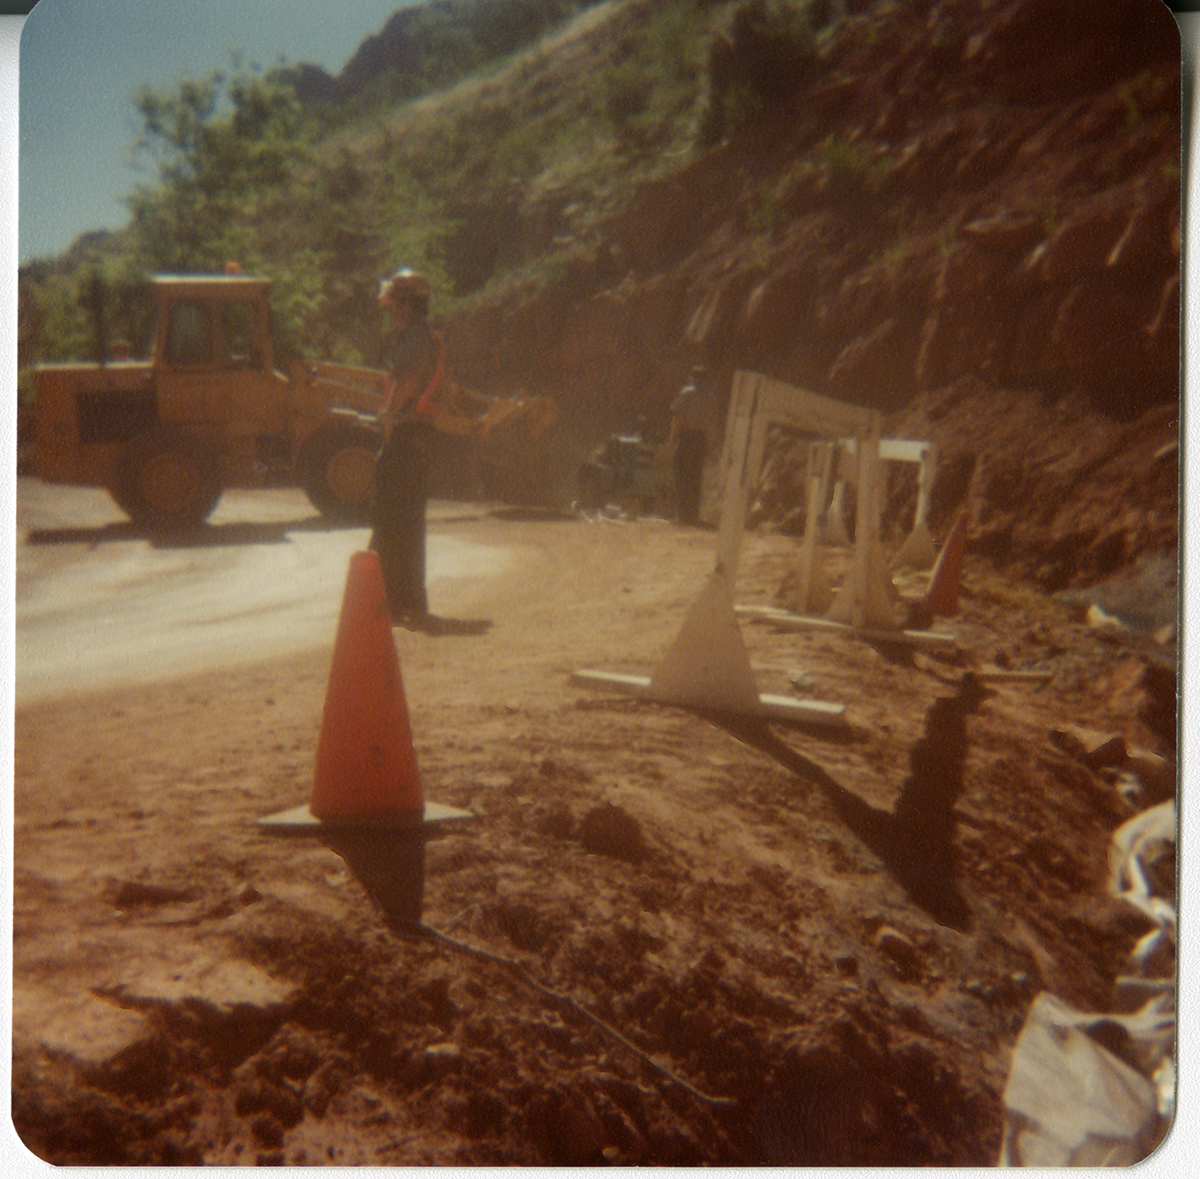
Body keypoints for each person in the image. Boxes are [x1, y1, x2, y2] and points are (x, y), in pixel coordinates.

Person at [369, 268, 447, 629]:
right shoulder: (419, 335)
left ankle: (393, 600)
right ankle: (401, 600)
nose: (389, 312)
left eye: (393, 305)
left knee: (394, 520)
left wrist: (390, 414)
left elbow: (410, 379)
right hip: (413, 437)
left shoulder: (414, 336)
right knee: (402, 522)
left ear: (406, 304)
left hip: (406, 434)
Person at [668, 365, 720, 525]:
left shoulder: (686, 394)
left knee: (682, 475)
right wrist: (710, 447)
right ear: (705, 380)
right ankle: (693, 515)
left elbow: (679, 419)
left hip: (686, 438)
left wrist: (672, 440)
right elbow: (712, 425)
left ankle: (682, 516)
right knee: (696, 478)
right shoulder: (711, 398)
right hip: (700, 440)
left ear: (691, 377)